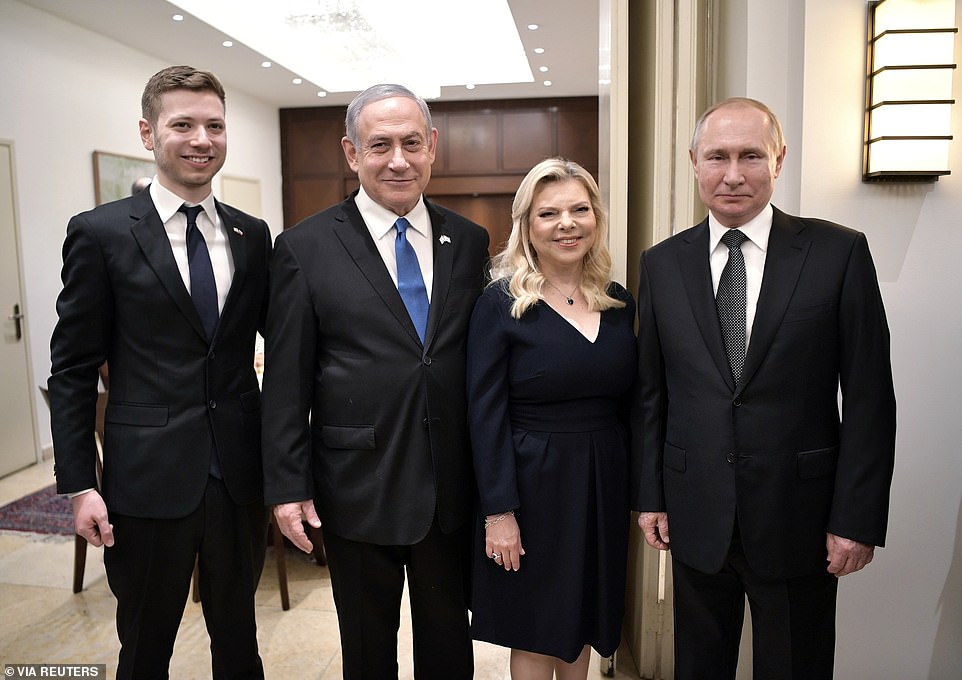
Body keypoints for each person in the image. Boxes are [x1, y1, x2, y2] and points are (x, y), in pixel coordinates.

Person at [633, 97, 896, 679]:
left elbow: (870, 397)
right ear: (694, 162)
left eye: (750, 156)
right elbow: (653, 393)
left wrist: (856, 516)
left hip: (799, 517)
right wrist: (650, 494)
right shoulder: (660, 265)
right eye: (718, 157)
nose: (733, 174)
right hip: (696, 513)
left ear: (778, 159)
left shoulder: (838, 253)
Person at [48, 65, 271, 680]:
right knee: (145, 649)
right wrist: (79, 482)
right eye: (183, 125)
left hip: (237, 477)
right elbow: (70, 370)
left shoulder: (252, 236)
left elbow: (280, 344)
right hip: (145, 483)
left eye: (215, 126)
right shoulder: (101, 233)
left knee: (240, 645)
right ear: (148, 134)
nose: (202, 138)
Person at [261, 83, 489, 680]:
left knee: (448, 647)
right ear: (350, 152)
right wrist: (287, 486)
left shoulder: (468, 243)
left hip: (449, 485)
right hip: (356, 484)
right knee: (367, 649)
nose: (398, 159)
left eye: (412, 143)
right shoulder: (303, 248)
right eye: (379, 144)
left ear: (432, 146)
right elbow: (286, 381)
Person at [467, 158, 637, 680]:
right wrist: (500, 512)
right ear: (527, 226)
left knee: (582, 617)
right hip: (530, 485)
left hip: (600, 484)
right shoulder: (501, 304)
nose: (567, 223)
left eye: (579, 210)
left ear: (596, 219)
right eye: (550, 213)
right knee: (536, 625)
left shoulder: (618, 302)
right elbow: (484, 411)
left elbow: (633, 404)